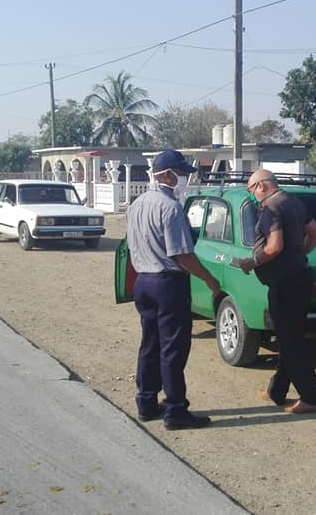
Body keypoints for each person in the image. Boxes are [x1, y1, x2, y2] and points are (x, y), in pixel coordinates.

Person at [126, 150, 221, 430]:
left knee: (150, 344)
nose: (183, 177)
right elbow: (182, 255)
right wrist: (209, 279)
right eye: (181, 173)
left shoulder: (137, 204)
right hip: (168, 283)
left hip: (143, 281)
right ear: (167, 175)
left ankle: (146, 402)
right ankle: (176, 411)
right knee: (173, 349)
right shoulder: (170, 207)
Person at [238, 169, 316, 414]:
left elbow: (274, 246)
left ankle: (311, 397)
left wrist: (252, 262)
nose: (252, 195)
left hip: (285, 282)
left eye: (251, 189)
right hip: (300, 277)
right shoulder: (294, 202)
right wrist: (299, 255)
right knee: (290, 336)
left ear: (262, 186)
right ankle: (277, 390)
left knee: (291, 340)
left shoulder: (271, 208)